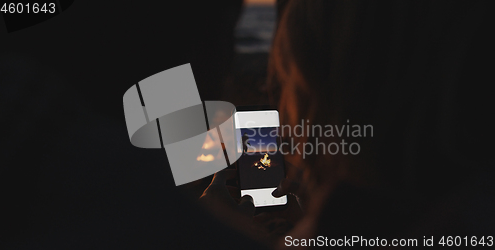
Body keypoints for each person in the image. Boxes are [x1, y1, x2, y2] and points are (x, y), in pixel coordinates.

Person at [199, 0, 495, 248]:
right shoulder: (468, 197)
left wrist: (210, 226)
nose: (272, 92)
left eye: (293, 83)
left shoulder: (350, 217)